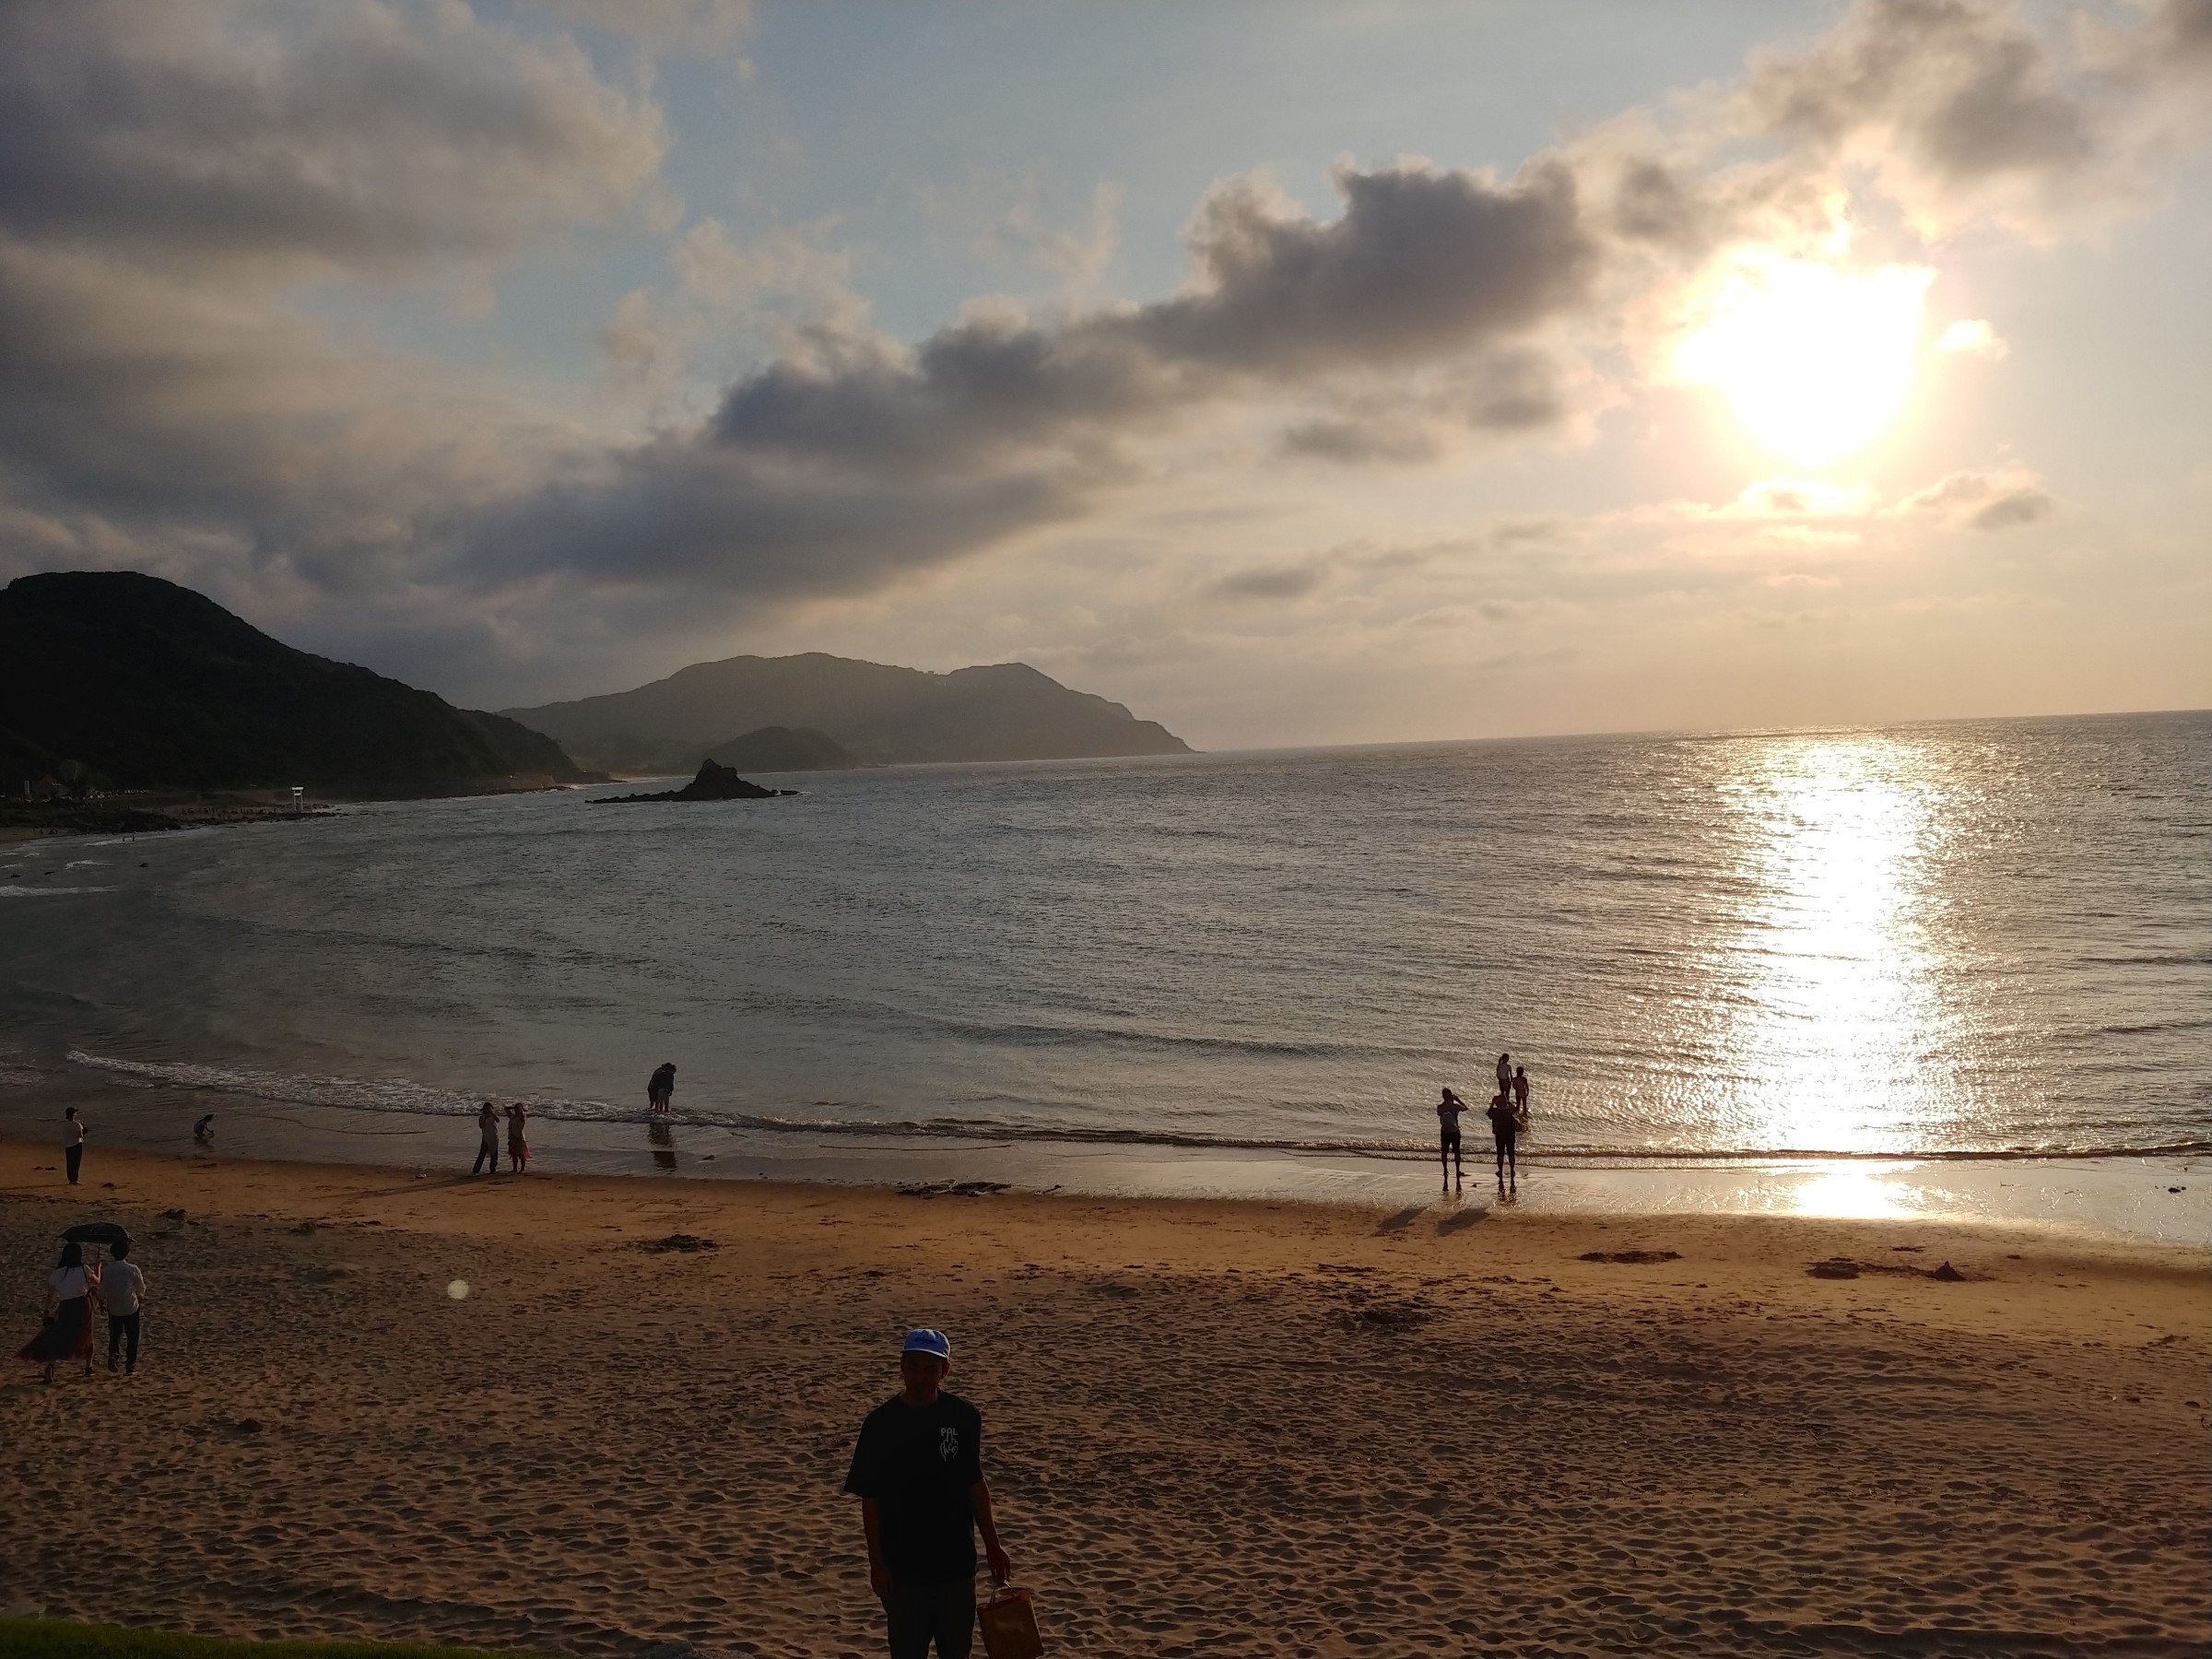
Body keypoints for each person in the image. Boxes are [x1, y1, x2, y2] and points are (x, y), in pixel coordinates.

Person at [844, 1328, 1013, 1659]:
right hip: (902, 1569)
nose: (920, 1377)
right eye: (914, 1367)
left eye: (930, 1369)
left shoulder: (963, 1417)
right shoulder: (879, 1424)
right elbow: (870, 1498)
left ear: (945, 1370)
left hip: (956, 1566)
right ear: (902, 1367)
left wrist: (993, 1546)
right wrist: (877, 1563)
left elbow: (974, 1482)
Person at [18, 1241, 97, 1384]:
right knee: (86, 1334)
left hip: (66, 1306)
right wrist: (98, 1268)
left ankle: (51, 1365)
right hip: (83, 1306)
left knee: (59, 1335)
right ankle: (88, 1367)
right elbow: (97, 1282)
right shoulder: (84, 1269)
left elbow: (50, 1294)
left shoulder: (58, 1273)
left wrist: (47, 1310)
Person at [101, 1240, 146, 1375]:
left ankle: (113, 1355)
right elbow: (141, 1287)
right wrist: (140, 1296)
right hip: (130, 1307)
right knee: (132, 1336)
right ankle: (130, 1365)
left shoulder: (106, 1270)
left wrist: (102, 1302)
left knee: (115, 1334)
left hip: (114, 1307)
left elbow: (101, 1291)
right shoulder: (132, 1269)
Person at [1486, 1091, 1521, 1190]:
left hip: (1500, 1135)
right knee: (1511, 1153)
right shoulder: (1509, 1110)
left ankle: (1500, 1170)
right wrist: (1507, 1101)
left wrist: (1492, 1103)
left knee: (1500, 1154)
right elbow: (1516, 1109)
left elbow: (1488, 1114)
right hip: (1510, 1135)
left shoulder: (1495, 1112)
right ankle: (1512, 1170)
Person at [1435, 1088, 1468, 1185]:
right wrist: (1458, 1100)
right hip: (1454, 1131)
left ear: (1443, 1096)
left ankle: (1445, 1170)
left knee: (1444, 1151)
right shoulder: (1455, 1107)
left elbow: (1439, 1114)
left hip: (1445, 1131)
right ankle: (1457, 1170)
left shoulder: (1440, 1107)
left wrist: (1444, 1103)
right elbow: (1465, 1108)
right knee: (1457, 1151)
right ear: (1451, 1096)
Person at [472, 1100, 501, 1175]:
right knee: (482, 1154)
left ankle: (493, 1169)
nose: (488, 1110)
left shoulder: (493, 1116)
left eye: (490, 1108)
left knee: (494, 1154)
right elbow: (481, 1126)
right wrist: (485, 1118)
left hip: (494, 1136)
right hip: (486, 1137)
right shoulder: (482, 1117)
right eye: (487, 1108)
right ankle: (476, 1170)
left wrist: (493, 1114)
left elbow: (498, 1120)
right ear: (484, 1109)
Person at [505, 1101, 530, 1174]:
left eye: (519, 1109)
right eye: (516, 1109)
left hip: (519, 1137)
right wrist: (512, 1107)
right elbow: (506, 1109)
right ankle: (515, 1168)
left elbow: (523, 1117)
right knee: (514, 1154)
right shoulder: (513, 1117)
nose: (517, 1110)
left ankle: (522, 1169)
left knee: (521, 1154)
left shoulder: (522, 1118)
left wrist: (521, 1110)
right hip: (512, 1137)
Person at [63, 1106, 86, 1185]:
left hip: (68, 1145)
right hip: (76, 1144)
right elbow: (80, 1136)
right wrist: (82, 1127)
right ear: (74, 1114)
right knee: (76, 1163)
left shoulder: (65, 1124)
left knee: (69, 1162)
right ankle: (74, 1179)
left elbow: (64, 1134)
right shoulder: (77, 1124)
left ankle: (70, 1179)